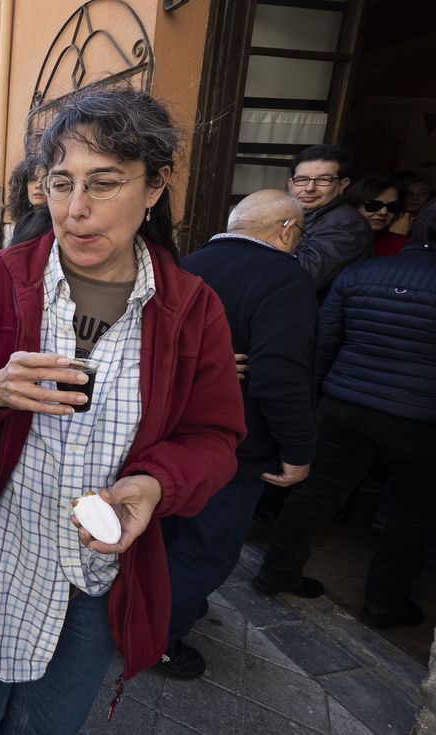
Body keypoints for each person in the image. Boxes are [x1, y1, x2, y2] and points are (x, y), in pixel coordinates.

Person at [0, 87, 245, 735]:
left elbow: (215, 435)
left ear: (156, 186)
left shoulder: (191, 308)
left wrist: (152, 485)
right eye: (61, 183)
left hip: (98, 584)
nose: (77, 209)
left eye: (105, 182)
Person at [154, 191, 318, 678]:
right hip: (234, 442)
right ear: (287, 229)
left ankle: (159, 606)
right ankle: (156, 638)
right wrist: (298, 450)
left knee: (167, 532)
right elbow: (279, 375)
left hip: (167, 429)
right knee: (209, 547)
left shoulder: (185, 265)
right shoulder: (285, 279)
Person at [253, 199, 436, 629]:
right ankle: (385, 602)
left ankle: (275, 571)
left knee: (315, 495)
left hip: (344, 404)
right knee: (414, 513)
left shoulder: (359, 274)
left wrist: (313, 404)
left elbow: (324, 344)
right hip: (421, 420)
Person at [287, 145, 373, 302]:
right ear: (290, 184)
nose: (309, 188)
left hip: (315, 318)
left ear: (342, 185)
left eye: (323, 180)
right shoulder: (289, 213)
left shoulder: (349, 225)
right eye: (302, 179)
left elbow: (299, 275)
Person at [342, 176, 407, 257]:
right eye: (373, 205)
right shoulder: (329, 238)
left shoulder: (403, 244)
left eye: (392, 206)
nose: (383, 212)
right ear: (354, 205)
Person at [7, 156, 52, 246]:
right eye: (32, 179)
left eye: (45, 179)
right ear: (24, 186)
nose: (38, 185)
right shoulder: (22, 221)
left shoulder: (56, 223)